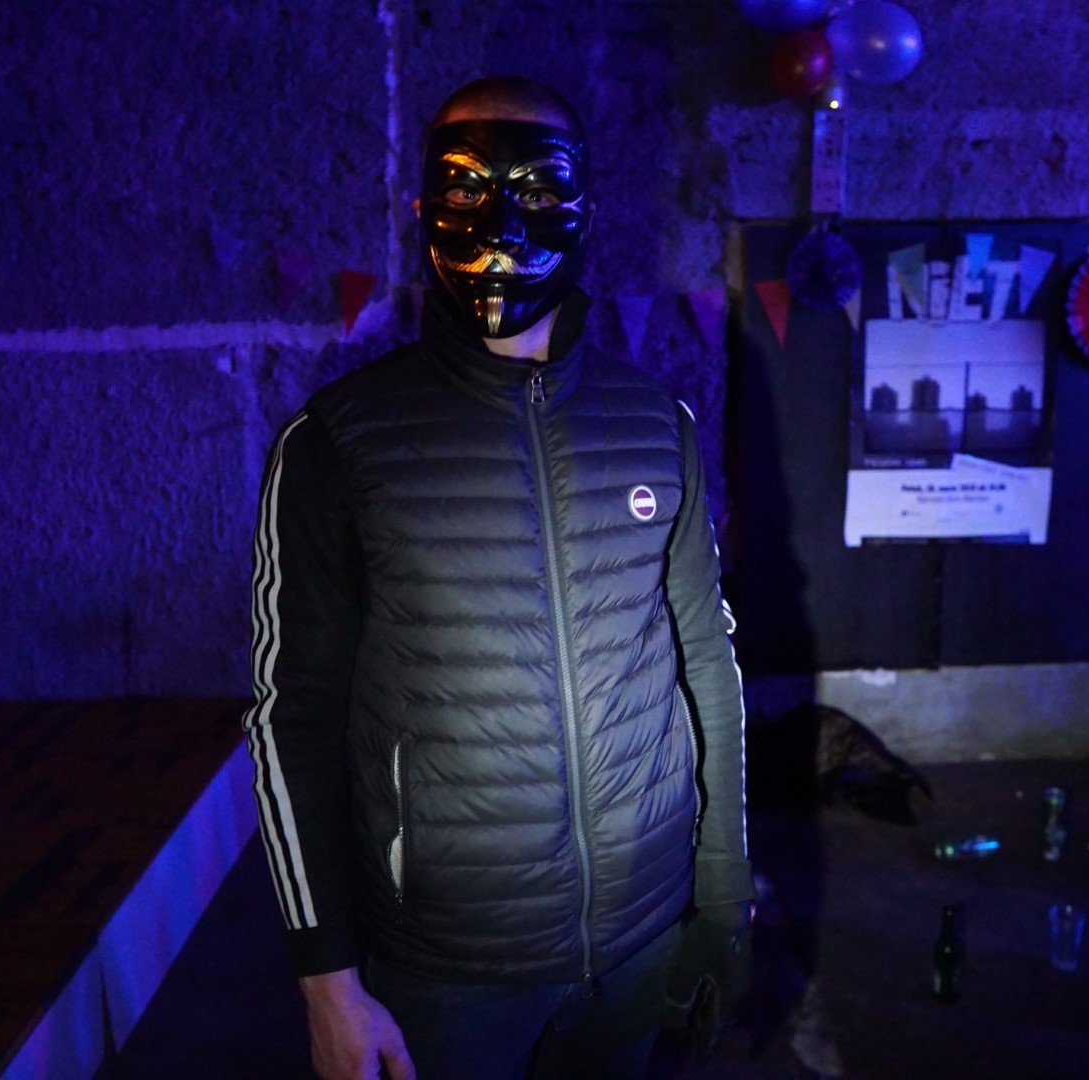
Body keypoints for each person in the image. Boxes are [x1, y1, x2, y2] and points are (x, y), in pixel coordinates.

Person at [240, 75, 752, 1080]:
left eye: (538, 189)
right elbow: (290, 717)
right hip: (449, 970)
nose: (503, 228)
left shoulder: (656, 424)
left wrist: (723, 898)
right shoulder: (340, 442)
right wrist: (327, 983)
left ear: (587, 208)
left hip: (642, 936)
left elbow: (706, 665)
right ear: (421, 207)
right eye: (466, 190)